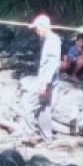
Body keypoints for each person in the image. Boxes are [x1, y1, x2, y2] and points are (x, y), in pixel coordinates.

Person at [29, 14, 61, 143]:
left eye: (37, 28)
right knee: (44, 107)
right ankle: (46, 138)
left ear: (43, 27)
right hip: (47, 80)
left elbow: (53, 63)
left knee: (38, 106)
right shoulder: (48, 40)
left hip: (48, 82)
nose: (36, 31)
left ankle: (40, 137)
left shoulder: (53, 40)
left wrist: (44, 83)